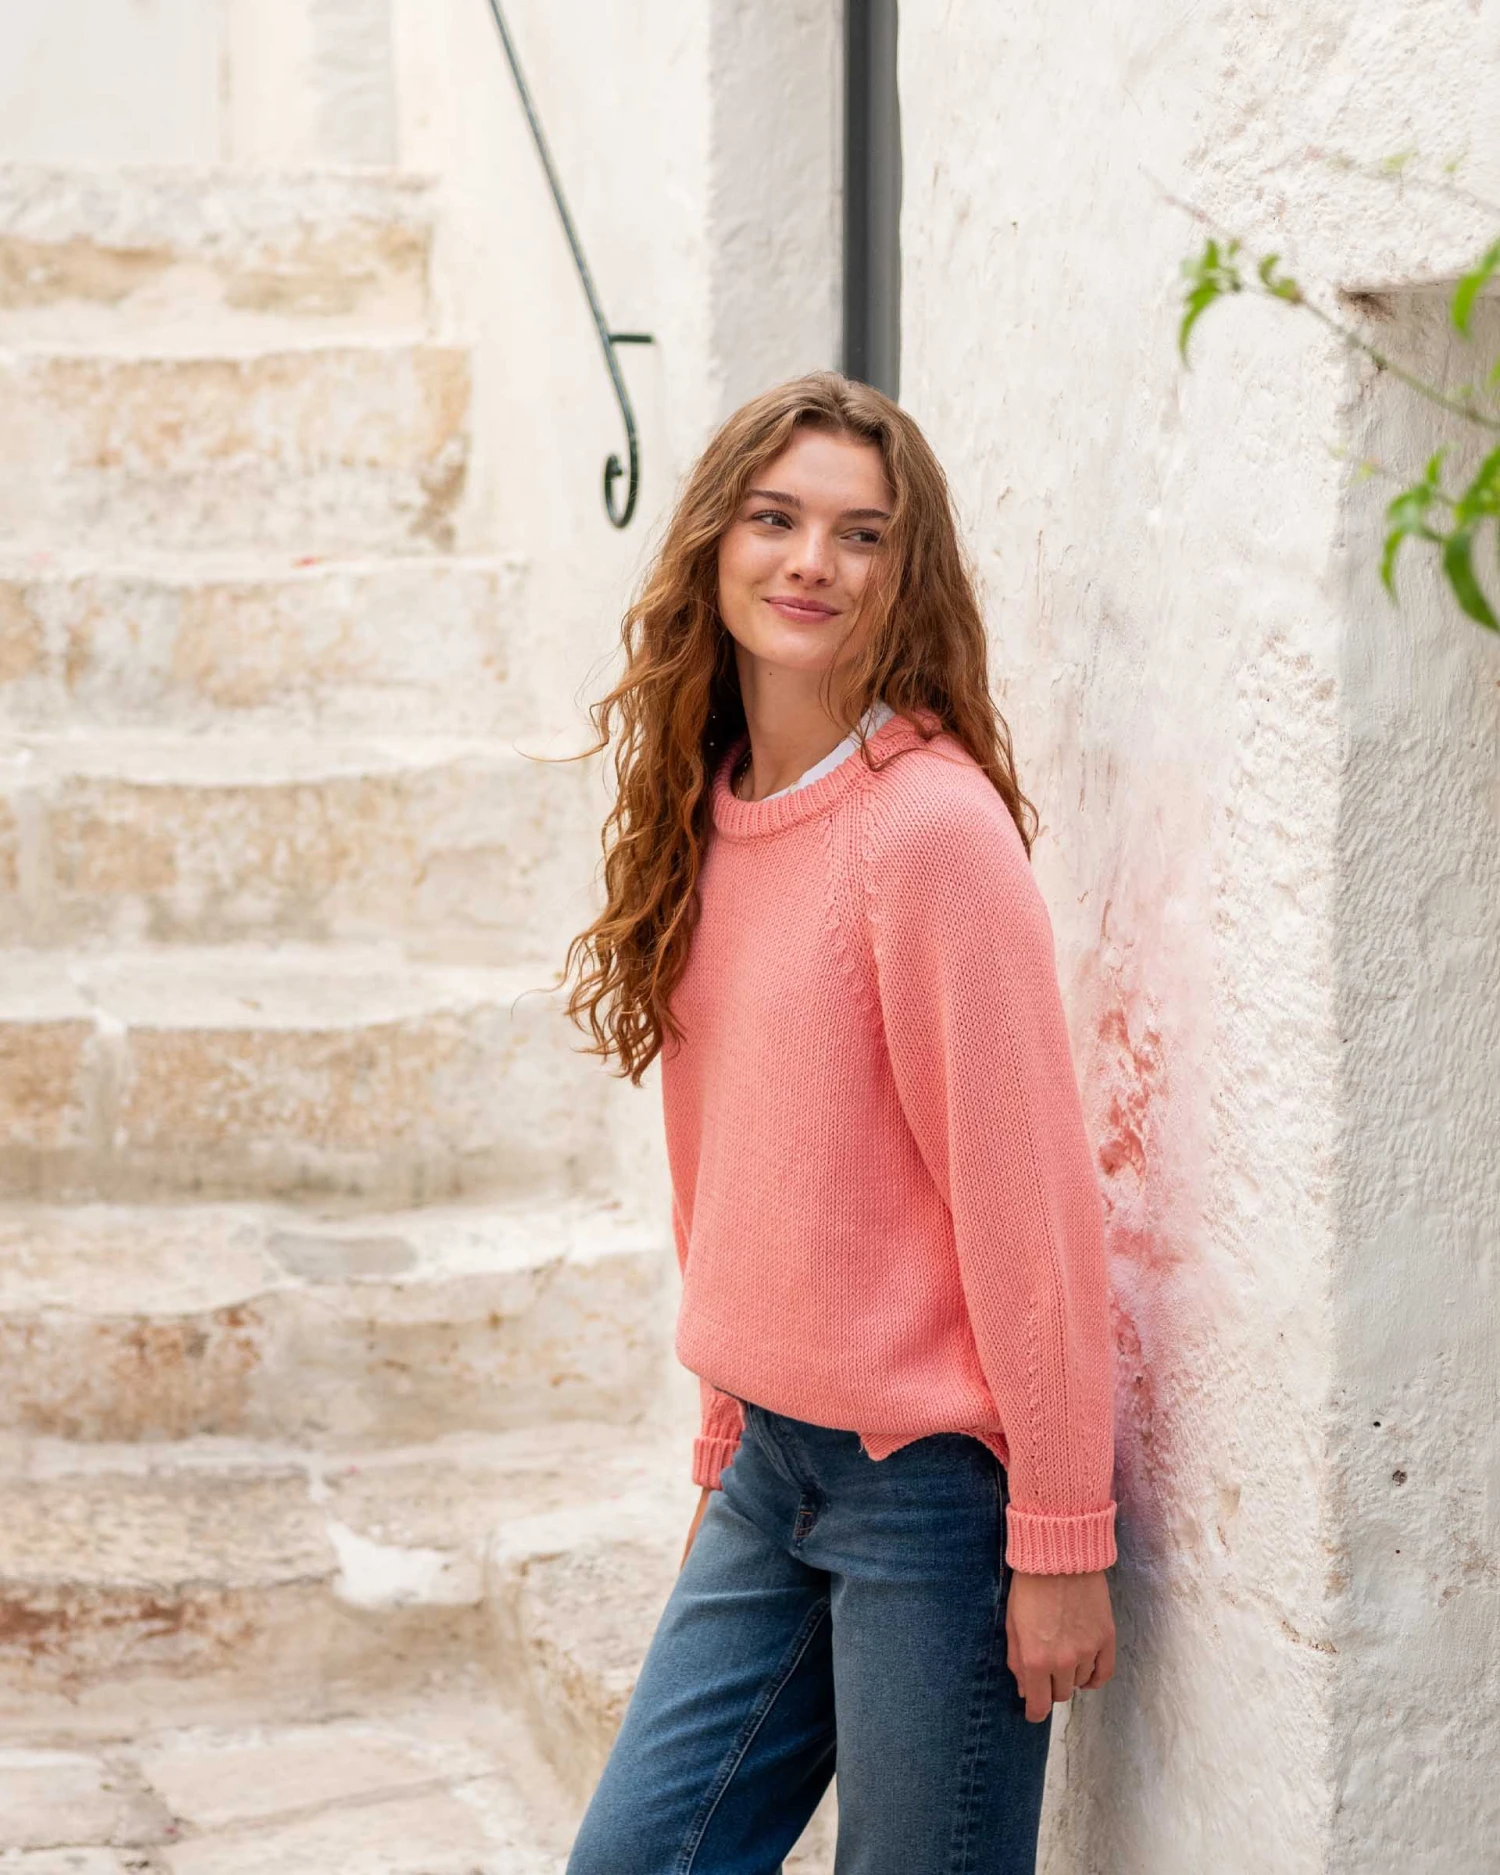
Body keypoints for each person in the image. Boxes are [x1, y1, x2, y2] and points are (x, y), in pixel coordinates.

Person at [558, 372, 1117, 1875]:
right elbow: (731, 1171)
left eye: (861, 534)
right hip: (772, 1468)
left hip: (932, 1493)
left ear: (904, 574)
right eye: (776, 518)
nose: (813, 561)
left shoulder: (926, 829)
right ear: (714, 544)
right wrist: (721, 1432)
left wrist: (1061, 1532)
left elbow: (1030, 1206)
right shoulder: (712, 807)